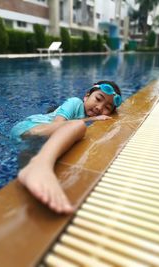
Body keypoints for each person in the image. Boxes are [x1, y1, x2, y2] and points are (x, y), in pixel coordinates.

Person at [11, 80, 122, 214]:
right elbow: (58, 125)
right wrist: (89, 120)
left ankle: (30, 167)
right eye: (98, 99)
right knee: (78, 127)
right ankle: (39, 165)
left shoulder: (86, 114)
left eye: (107, 107)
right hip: (30, 128)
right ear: (87, 96)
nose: (99, 107)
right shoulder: (75, 103)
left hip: (34, 138)